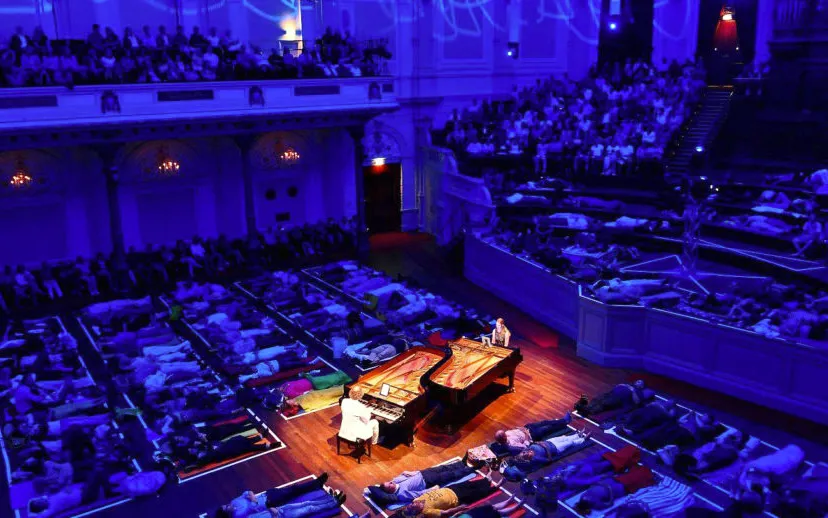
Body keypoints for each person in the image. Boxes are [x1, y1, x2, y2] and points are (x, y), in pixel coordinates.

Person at [216, 473, 330, 517]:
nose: (228, 505)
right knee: (295, 490)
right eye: (226, 508)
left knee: (294, 490)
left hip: (267, 494)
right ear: (227, 514)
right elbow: (254, 506)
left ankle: (316, 485)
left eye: (225, 505)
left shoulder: (234, 502)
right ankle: (317, 483)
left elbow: (247, 492)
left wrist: (252, 498)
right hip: (270, 502)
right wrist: (253, 499)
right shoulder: (238, 515)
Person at [368, 460, 475, 504]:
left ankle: (462, 463)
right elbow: (418, 494)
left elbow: (402, 475)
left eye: (389, 482)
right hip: (428, 480)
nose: (391, 483)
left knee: (444, 467)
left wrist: (407, 472)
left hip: (424, 473)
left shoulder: (395, 481)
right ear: (389, 491)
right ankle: (470, 469)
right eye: (389, 485)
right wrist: (432, 489)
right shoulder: (401, 494)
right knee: (450, 475)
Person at [502, 430, 590, 480]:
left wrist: (538, 443)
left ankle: (577, 435)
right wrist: (546, 448)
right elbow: (549, 460)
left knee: (564, 437)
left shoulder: (523, 452)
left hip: (549, 442)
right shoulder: (535, 458)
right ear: (527, 459)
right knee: (570, 442)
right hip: (555, 448)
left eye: (522, 453)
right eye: (524, 454)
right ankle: (583, 440)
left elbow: (529, 445)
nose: (524, 453)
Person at [573, 464, 657, 514]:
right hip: (617, 488)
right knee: (635, 480)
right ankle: (650, 476)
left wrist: (601, 483)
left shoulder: (583, 496)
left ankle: (644, 471)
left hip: (611, 481)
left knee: (629, 475)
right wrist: (609, 490)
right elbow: (610, 503)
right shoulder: (596, 505)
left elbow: (591, 486)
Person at [398, 478, 499, 517]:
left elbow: (428, 492)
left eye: (410, 504)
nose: (412, 504)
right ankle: (495, 487)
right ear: (415, 512)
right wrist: (459, 508)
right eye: (412, 507)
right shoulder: (427, 512)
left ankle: (487, 480)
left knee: (469, 484)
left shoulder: (416, 500)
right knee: (477, 493)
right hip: (457, 498)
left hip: (450, 489)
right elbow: (446, 513)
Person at [493, 413, 572, 453]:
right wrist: (526, 433)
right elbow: (525, 446)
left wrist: (522, 428)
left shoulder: (506, 434)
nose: (506, 433)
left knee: (545, 422)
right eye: (504, 434)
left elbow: (515, 430)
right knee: (547, 427)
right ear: (503, 438)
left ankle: (562, 420)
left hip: (527, 428)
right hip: (532, 435)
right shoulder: (511, 446)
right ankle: (565, 421)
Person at [574, 380, 654, 417]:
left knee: (605, 403)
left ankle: (588, 411)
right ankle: (586, 408)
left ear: (642, 386)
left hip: (619, 399)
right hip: (612, 393)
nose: (637, 382)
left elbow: (637, 402)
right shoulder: (628, 385)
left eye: (640, 382)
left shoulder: (639, 392)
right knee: (597, 399)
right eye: (637, 381)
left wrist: (633, 391)